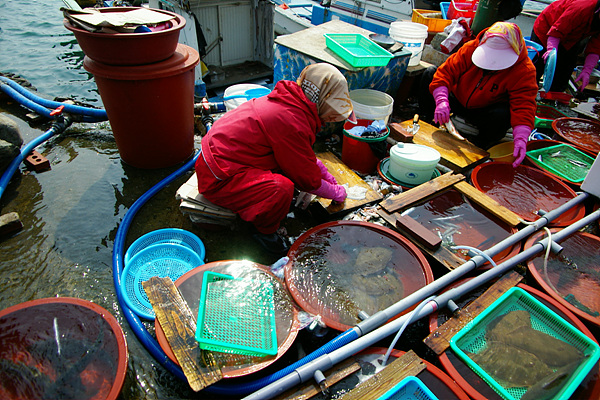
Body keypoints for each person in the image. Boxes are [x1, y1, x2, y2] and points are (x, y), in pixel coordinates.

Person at [195, 63, 355, 255]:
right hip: (218, 178)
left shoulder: (287, 102)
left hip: (219, 160)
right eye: (331, 113)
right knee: (282, 189)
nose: (329, 119)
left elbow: (303, 157)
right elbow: (308, 181)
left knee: (288, 173)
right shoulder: (291, 122)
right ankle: (265, 233)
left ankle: (262, 210)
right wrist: (337, 192)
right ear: (321, 101)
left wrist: (328, 177)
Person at [418, 22, 537, 168]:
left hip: (485, 109)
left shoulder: (524, 70)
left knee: (503, 114)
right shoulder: (470, 48)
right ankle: (429, 121)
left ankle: (482, 144)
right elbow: (445, 73)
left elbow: (524, 105)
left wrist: (521, 138)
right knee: (430, 74)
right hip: (457, 99)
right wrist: (442, 100)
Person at [531, 0, 600, 93]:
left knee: (563, 73)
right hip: (547, 28)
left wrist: (587, 70)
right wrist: (551, 50)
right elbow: (557, 30)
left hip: (572, 38)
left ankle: (553, 97)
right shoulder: (581, 8)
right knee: (536, 69)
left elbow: (596, 47)